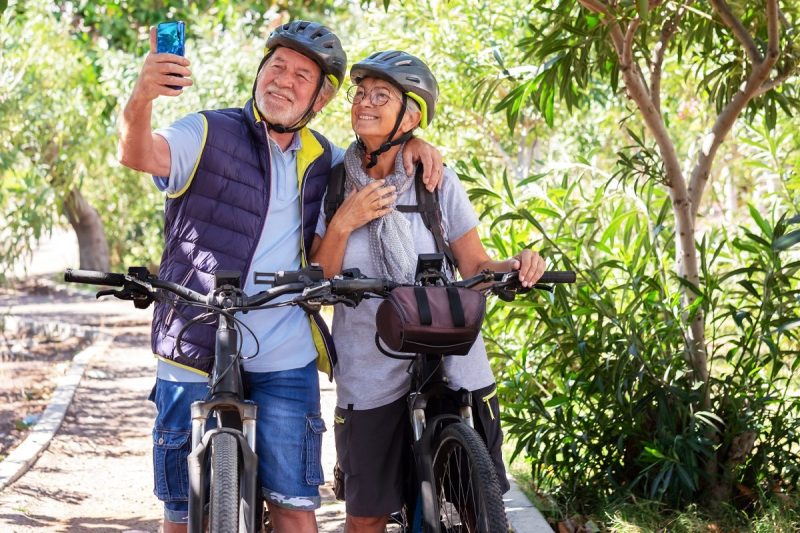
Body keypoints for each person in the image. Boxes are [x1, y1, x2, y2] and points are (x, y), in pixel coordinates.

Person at [118, 22, 443, 533]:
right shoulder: (206, 131)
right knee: (181, 513)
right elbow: (138, 153)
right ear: (259, 72)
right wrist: (141, 97)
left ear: (322, 95)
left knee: (294, 507)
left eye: (301, 75)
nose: (283, 81)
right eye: (276, 67)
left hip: (283, 349)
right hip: (193, 338)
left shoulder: (326, 159)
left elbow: (376, 155)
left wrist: (415, 143)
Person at [309, 50, 547, 533]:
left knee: (479, 507)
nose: (363, 103)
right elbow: (318, 279)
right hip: (370, 364)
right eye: (360, 94)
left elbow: (475, 265)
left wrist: (517, 265)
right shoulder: (335, 181)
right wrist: (343, 222)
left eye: (381, 96)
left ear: (411, 115)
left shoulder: (436, 180)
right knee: (367, 515)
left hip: (451, 357)